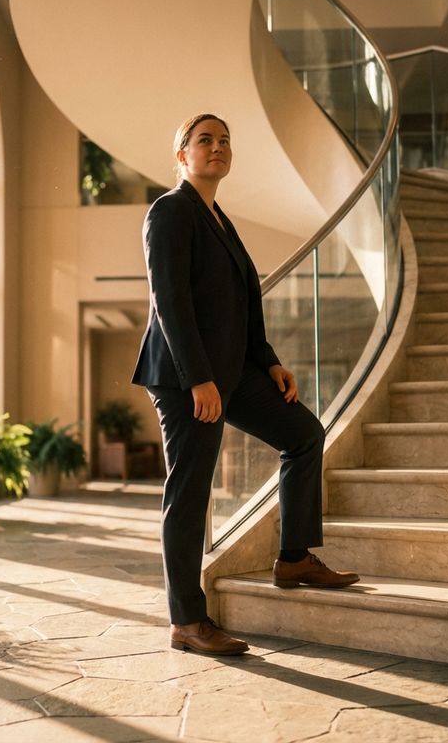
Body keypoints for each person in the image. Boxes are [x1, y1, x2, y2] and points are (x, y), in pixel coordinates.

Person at [131, 113, 359, 657]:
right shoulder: (170, 211)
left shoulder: (220, 220)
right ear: (181, 156)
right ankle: (187, 620)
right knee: (189, 493)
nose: (217, 147)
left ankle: (293, 557)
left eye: (225, 141)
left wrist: (271, 361)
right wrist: (197, 380)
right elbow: (171, 302)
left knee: (303, 434)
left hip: (234, 372)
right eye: (204, 140)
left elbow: (242, 305)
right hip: (190, 380)